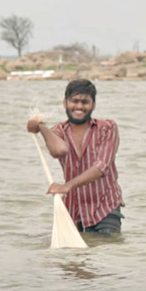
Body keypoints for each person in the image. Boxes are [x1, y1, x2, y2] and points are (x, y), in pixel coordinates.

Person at [26, 79, 124, 234]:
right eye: (74, 101)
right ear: (65, 103)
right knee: (73, 256)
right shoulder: (58, 131)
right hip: (74, 211)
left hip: (105, 207)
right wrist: (40, 126)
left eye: (85, 102)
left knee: (106, 250)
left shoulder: (107, 128)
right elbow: (59, 150)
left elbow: (101, 167)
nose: (79, 106)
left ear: (93, 105)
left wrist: (67, 186)